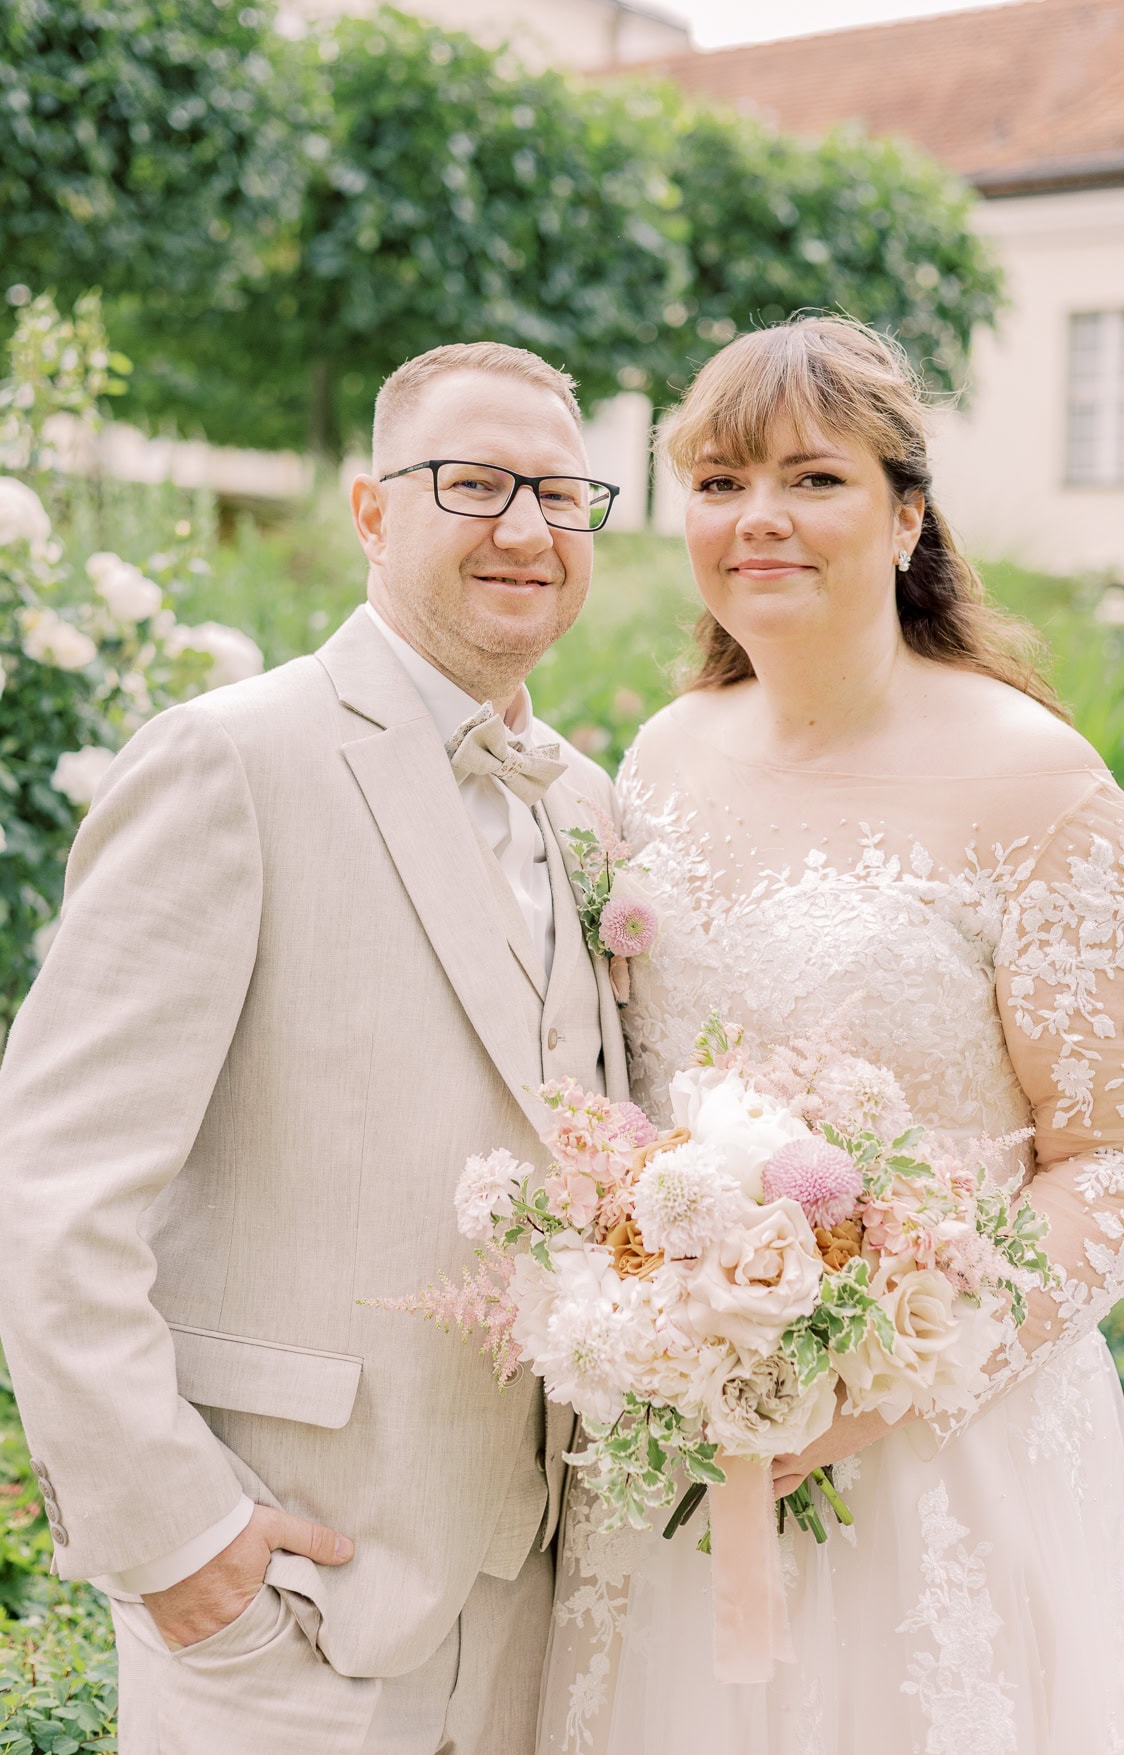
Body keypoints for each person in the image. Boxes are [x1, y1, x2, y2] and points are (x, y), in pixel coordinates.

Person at [538, 315, 1124, 1754]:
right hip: (685, 1449)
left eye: (812, 479)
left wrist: (875, 1375)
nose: (756, 517)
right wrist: (675, 1337)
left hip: (948, 1461)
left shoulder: (1041, 789)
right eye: (719, 482)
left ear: (905, 518)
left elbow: (1123, 1162)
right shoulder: (662, 754)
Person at [0, 341, 629, 1755]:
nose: (526, 529)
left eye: (559, 494)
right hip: (289, 1598)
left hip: (532, 1603)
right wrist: (179, 1540)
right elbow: (49, 1189)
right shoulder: (228, 760)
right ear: (369, 509)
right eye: (472, 484)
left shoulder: (583, 804)